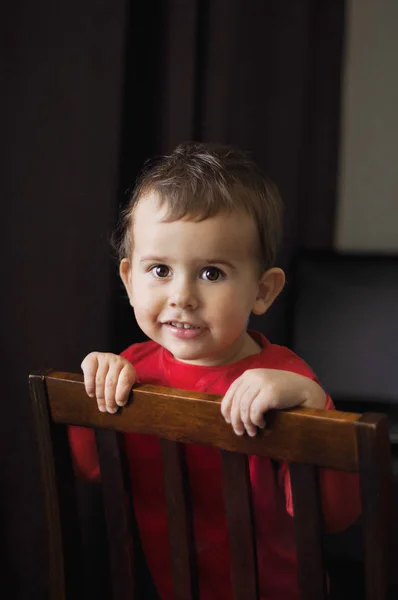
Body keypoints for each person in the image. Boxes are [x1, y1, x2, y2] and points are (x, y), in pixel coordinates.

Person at [70, 142, 360, 600]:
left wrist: (312, 405)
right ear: (128, 281)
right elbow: (91, 468)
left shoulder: (285, 380)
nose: (182, 296)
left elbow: (335, 515)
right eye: (160, 269)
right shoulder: (132, 369)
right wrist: (93, 389)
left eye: (212, 274)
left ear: (263, 291)